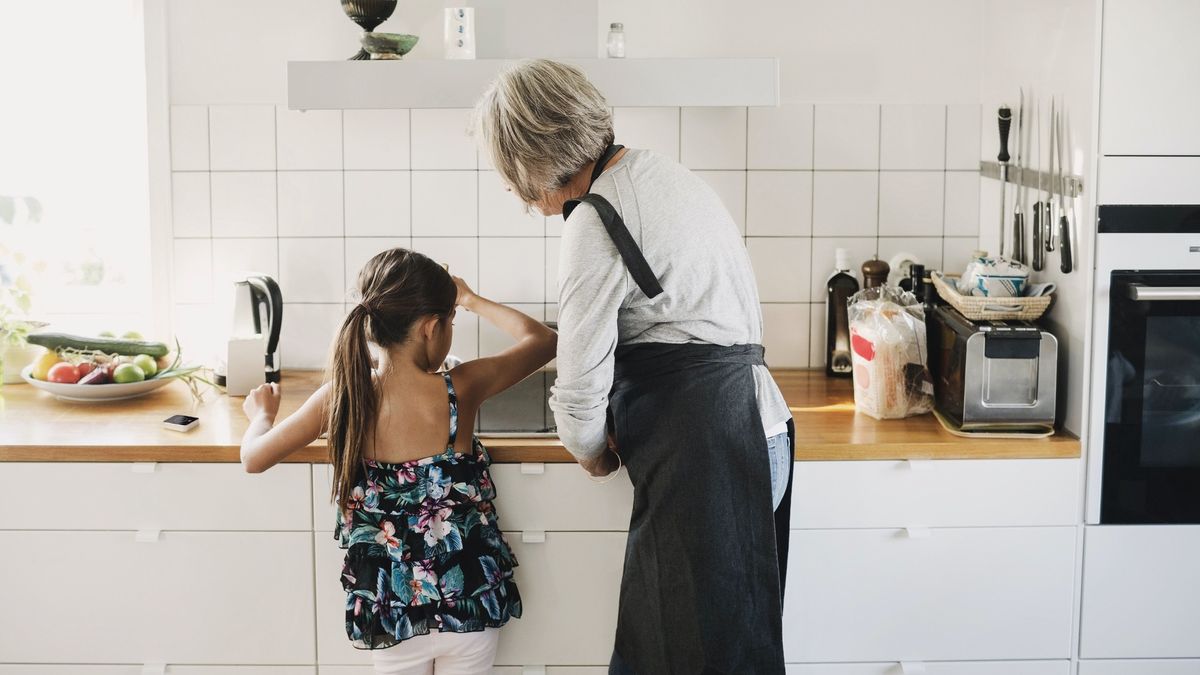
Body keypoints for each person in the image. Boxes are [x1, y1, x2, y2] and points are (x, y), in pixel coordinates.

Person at [474, 59, 795, 674]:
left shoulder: (596, 219)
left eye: (510, 176)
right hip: (757, 432)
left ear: (533, 156)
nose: (515, 196)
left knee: (684, 660)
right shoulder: (665, 175)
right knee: (722, 654)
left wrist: (594, 453)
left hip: (708, 454)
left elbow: (577, 394)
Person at [239, 248, 556, 674]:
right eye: (450, 324)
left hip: (392, 618)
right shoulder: (461, 389)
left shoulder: (345, 395)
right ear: (430, 327)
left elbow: (254, 458)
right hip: (470, 610)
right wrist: (471, 299)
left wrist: (261, 416)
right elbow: (544, 341)